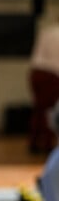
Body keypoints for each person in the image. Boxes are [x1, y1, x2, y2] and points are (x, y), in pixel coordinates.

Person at [29, 19, 59, 153]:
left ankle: (34, 143)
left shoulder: (46, 32)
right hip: (52, 75)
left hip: (36, 73)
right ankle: (47, 144)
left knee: (39, 108)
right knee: (51, 110)